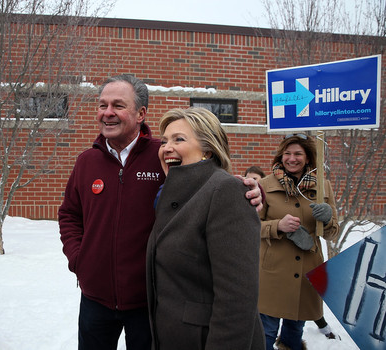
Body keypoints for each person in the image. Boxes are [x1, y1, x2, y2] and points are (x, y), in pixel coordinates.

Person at [58, 74, 263, 350]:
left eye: (118, 105)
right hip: (95, 299)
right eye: (102, 105)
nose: (107, 113)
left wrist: (248, 190)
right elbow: (69, 214)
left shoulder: (165, 157)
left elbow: (208, 179)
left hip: (149, 302)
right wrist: (80, 260)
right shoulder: (86, 161)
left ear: (141, 113)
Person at [146, 107, 264, 349]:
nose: (167, 147)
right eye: (164, 141)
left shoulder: (226, 191)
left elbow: (237, 300)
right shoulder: (170, 195)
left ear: (208, 150)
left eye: (179, 139)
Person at [257, 134, 340, 350]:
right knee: (265, 332)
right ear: (280, 156)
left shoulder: (323, 188)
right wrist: (278, 226)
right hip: (272, 273)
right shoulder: (264, 185)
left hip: (306, 272)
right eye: (287, 153)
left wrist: (327, 219)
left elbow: (332, 233)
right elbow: (250, 226)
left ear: (308, 158)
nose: (292, 158)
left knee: (294, 332)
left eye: (298, 154)